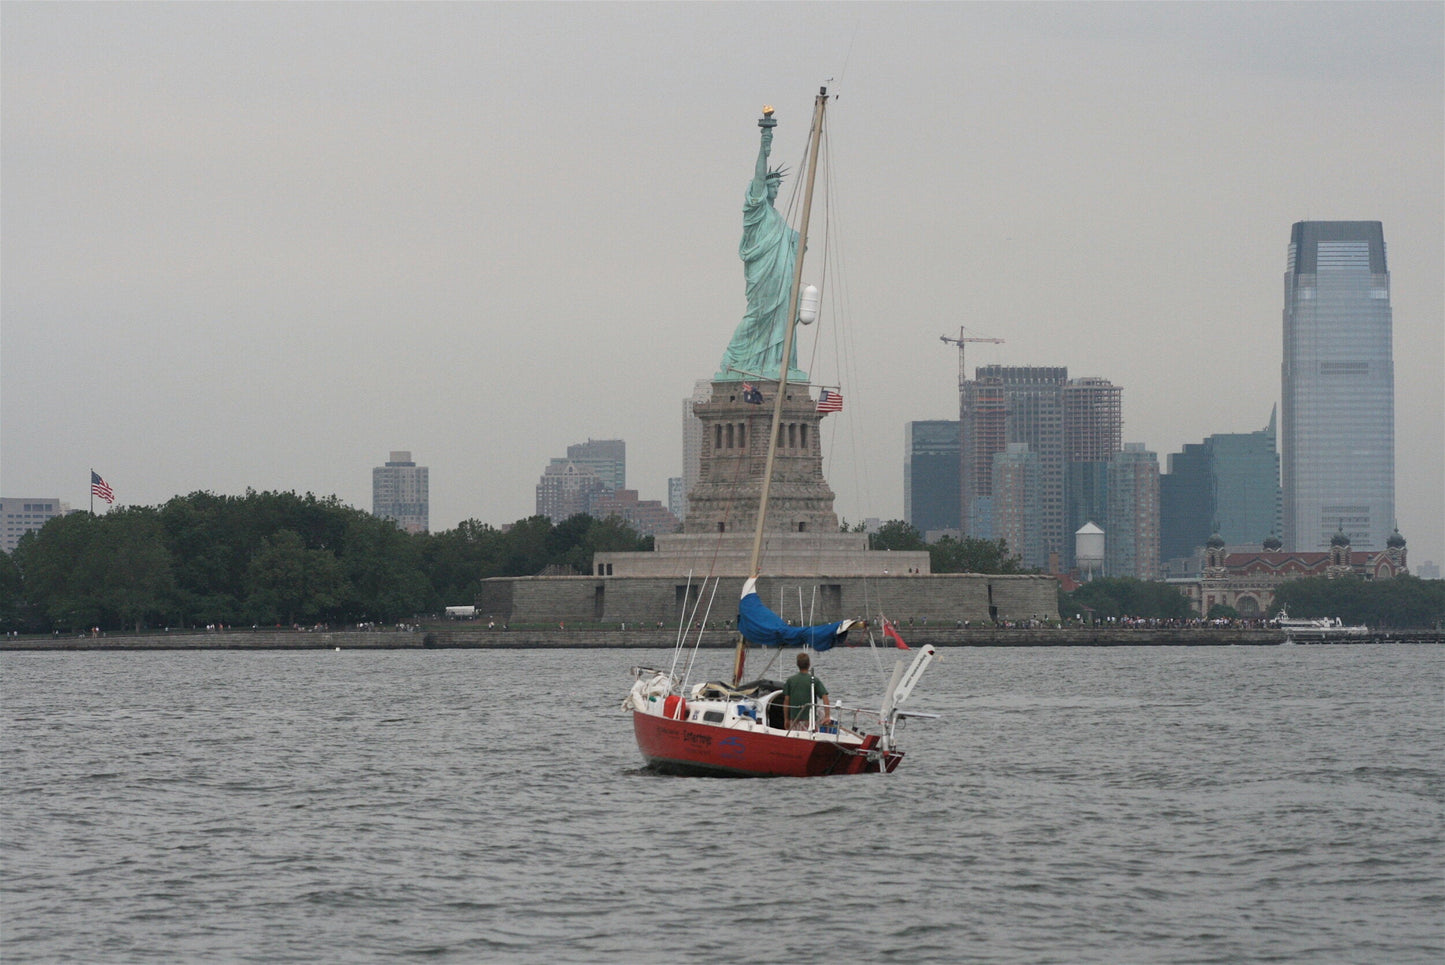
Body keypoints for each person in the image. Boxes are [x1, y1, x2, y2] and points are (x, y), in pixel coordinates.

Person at [781, 651, 831, 730]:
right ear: (809, 664)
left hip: (794, 720)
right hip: (810, 720)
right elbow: (825, 696)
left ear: (797, 664)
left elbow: (786, 701)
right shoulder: (814, 680)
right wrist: (827, 716)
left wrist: (786, 719)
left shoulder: (790, 681)